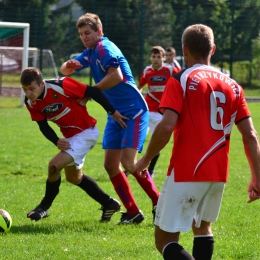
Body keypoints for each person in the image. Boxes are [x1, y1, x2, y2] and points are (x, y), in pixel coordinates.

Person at [135, 24, 260, 259]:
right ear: (213, 49)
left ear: (184, 49)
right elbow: (251, 135)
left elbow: (166, 126)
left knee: (164, 240)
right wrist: (257, 177)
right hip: (217, 173)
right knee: (202, 229)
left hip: (187, 171)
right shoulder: (234, 86)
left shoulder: (181, 78)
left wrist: (145, 160)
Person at [60, 13, 159, 224]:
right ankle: (133, 211)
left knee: (128, 162)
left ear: (99, 32)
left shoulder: (106, 48)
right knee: (111, 165)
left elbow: (117, 76)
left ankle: (159, 203)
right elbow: (65, 70)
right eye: (81, 34)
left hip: (133, 111)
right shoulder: (90, 52)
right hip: (114, 113)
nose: (84, 37)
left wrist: (90, 92)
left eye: (88, 33)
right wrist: (68, 66)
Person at [21, 67, 128, 222]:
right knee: (73, 177)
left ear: (41, 84)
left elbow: (93, 91)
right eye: (25, 90)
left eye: (31, 89)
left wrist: (112, 112)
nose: (29, 94)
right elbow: (42, 125)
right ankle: (109, 203)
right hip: (70, 138)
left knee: (54, 166)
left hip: (86, 133)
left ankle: (43, 207)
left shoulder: (62, 85)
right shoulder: (30, 102)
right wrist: (56, 140)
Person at [137, 46, 173, 177]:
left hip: (161, 112)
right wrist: (138, 98)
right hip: (147, 110)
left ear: (164, 58)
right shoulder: (147, 71)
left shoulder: (170, 70)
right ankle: (131, 165)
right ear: (150, 58)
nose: (156, 59)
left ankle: (150, 169)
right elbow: (139, 86)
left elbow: (180, 83)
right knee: (136, 139)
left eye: (159, 57)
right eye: (153, 56)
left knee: (155, 143)